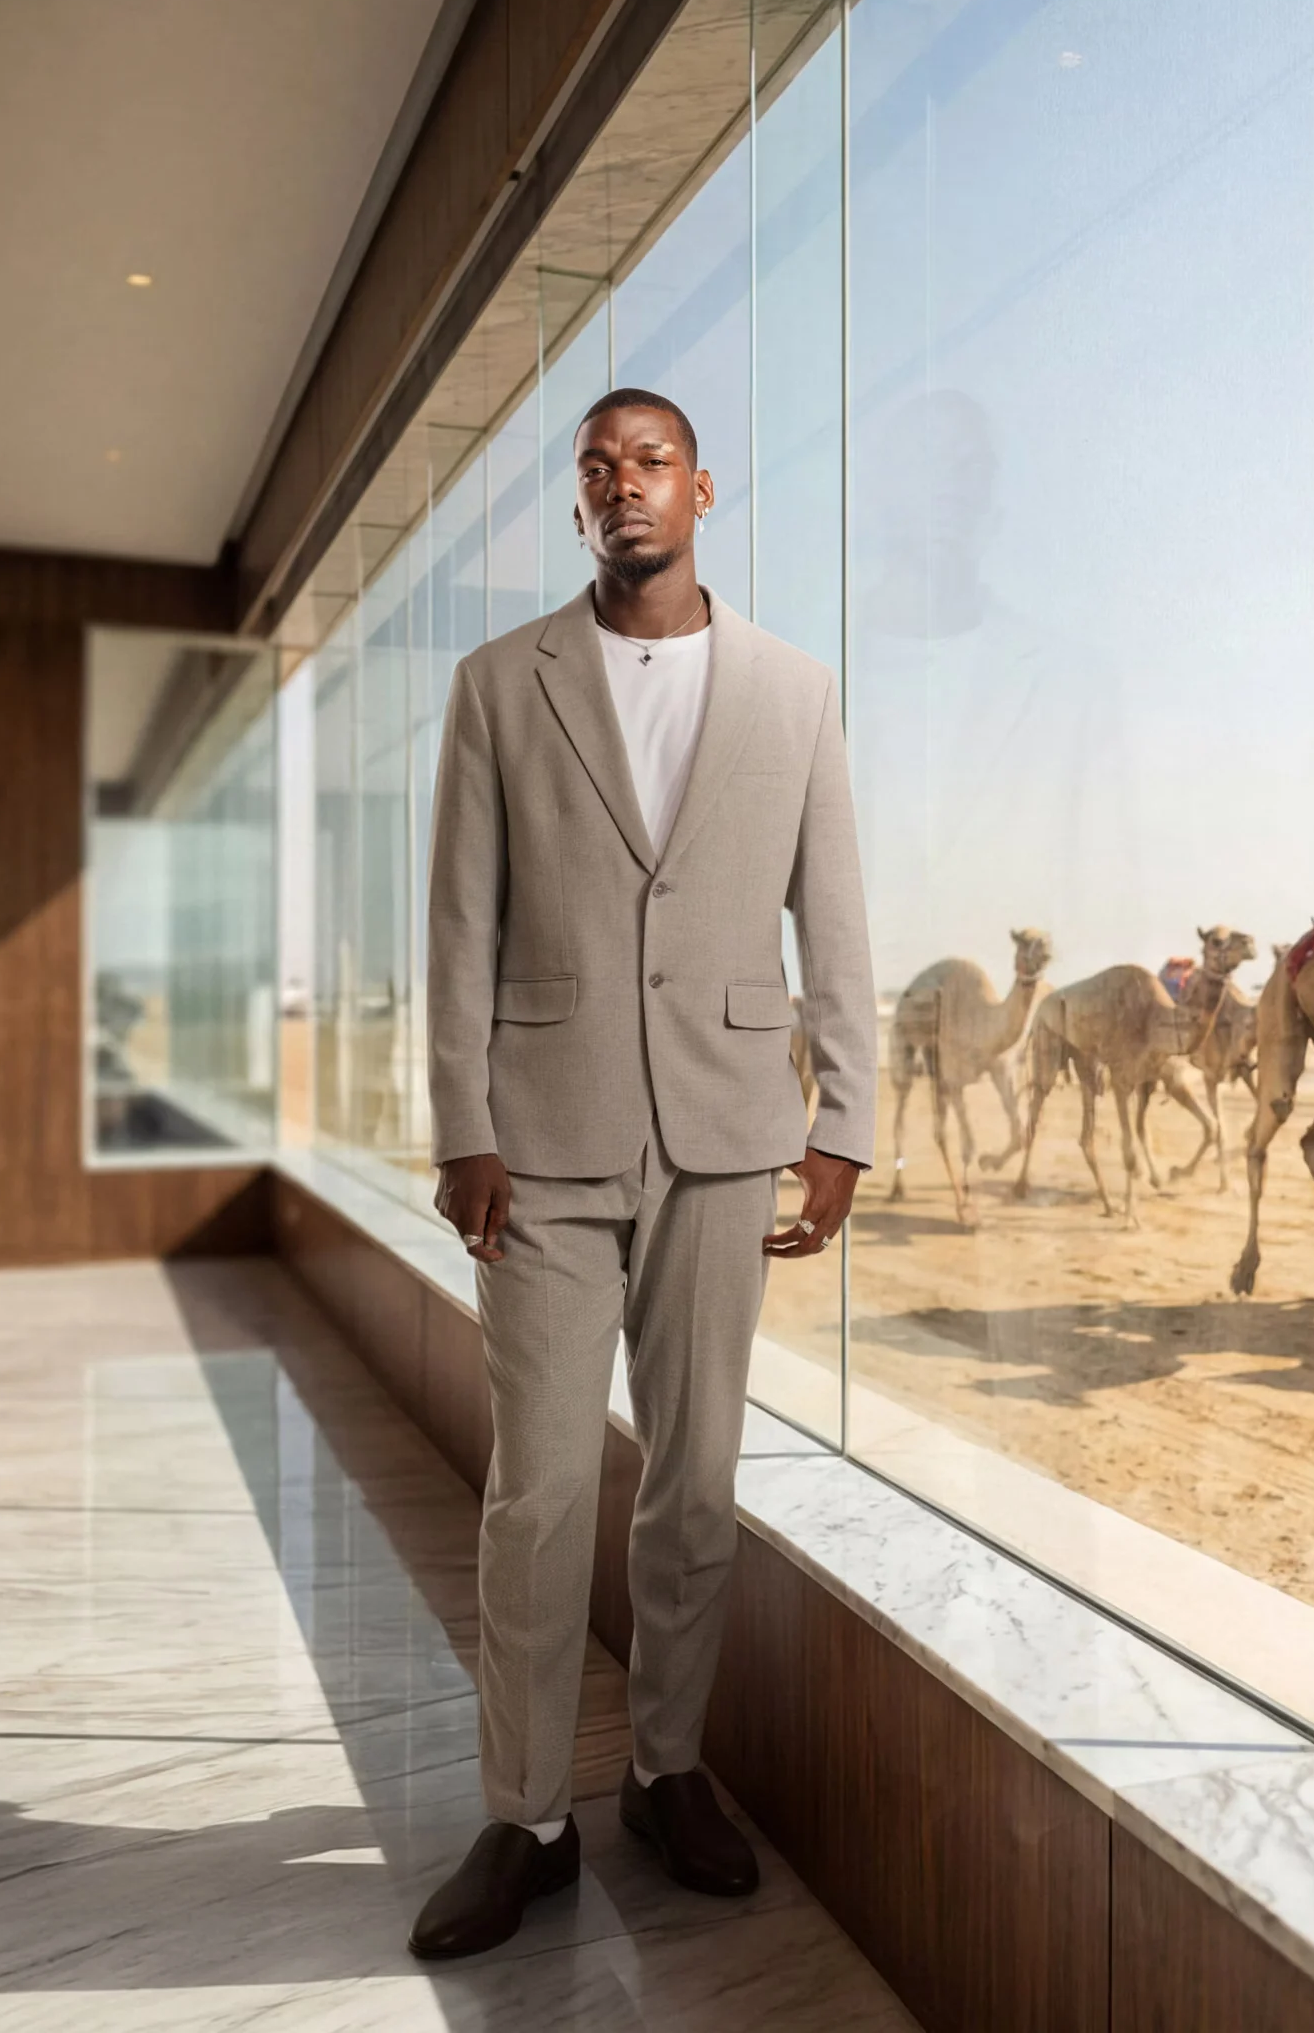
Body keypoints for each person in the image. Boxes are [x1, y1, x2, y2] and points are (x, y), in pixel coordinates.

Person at [408, 387, 874, 1959]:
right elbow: (460, 923)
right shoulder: (497, 683)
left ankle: (669, 1773)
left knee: (696, 1486)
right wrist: (460, 1124)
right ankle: (526, 1816)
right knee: (536, 1492)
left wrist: (845, 1124)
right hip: (538, 1145)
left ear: (704, 490)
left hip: (733, 1136)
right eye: (598, 467)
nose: (623, 485)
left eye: (649, 462)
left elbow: (837, 917)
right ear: (586, 504)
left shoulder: (794, 692)